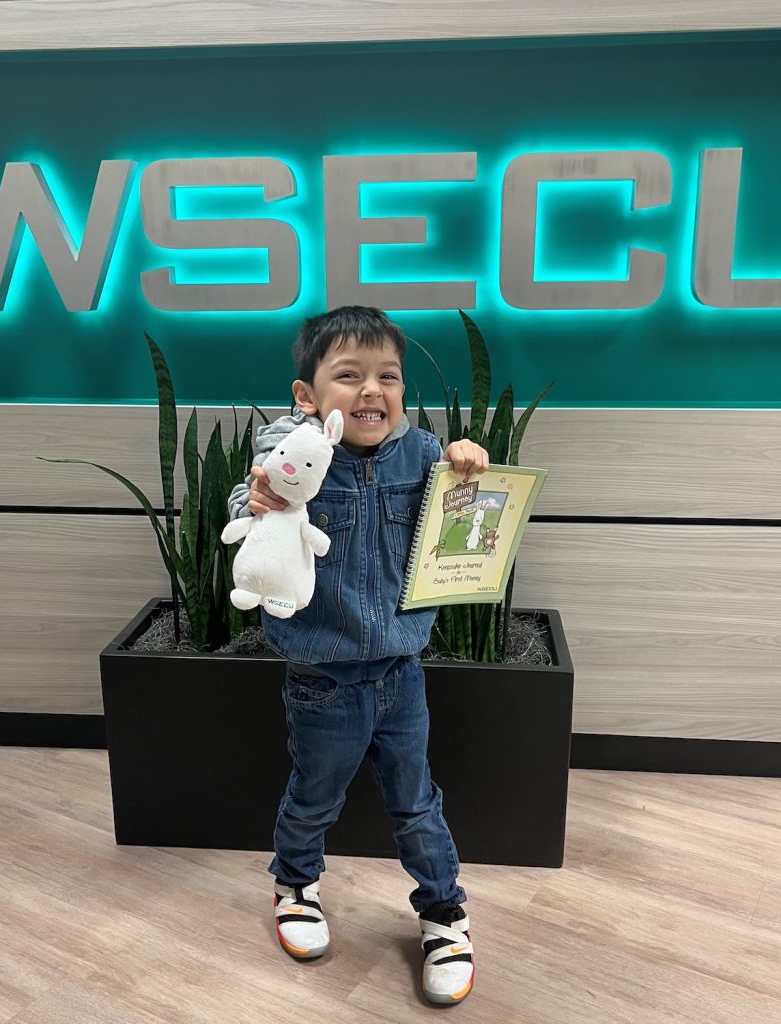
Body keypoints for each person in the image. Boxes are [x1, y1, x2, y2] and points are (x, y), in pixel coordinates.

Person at [227, 306, 489, 1005]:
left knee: (417, 803)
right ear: (306, 396)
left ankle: (445, 915)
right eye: (349, 376)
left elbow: (461, 521)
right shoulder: (293, 453)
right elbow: (251, 495)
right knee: (315, 797)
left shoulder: (422, 453)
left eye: (388, 377)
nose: (372, 390)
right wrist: (258, 501)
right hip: (322, 677)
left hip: (402, 674)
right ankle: (296, 885)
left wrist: (467, 461)